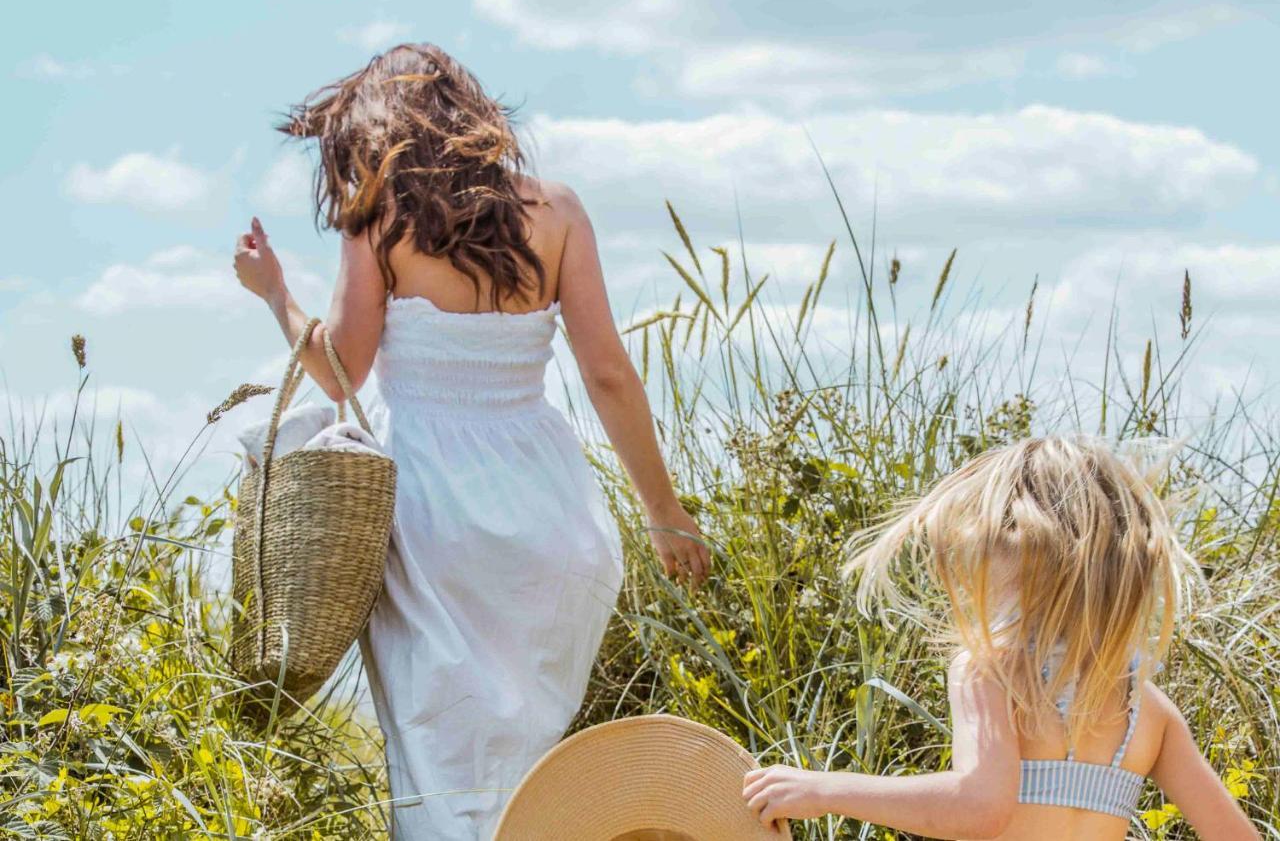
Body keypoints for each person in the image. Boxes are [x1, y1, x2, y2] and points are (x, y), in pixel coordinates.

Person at [231, 43, 711, 839]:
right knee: (535, 768)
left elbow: (343, 369)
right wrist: (662, 508)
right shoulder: (557, 211)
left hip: (430, 512)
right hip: (552, 512)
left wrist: (276, 294)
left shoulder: (379, 219)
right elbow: (610, 376)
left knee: (437, 762)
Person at [742, 435, 1259, 840]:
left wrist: (824, 788)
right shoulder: (1148, 709)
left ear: (1013, 561)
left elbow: (979, 807)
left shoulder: (991, 672)